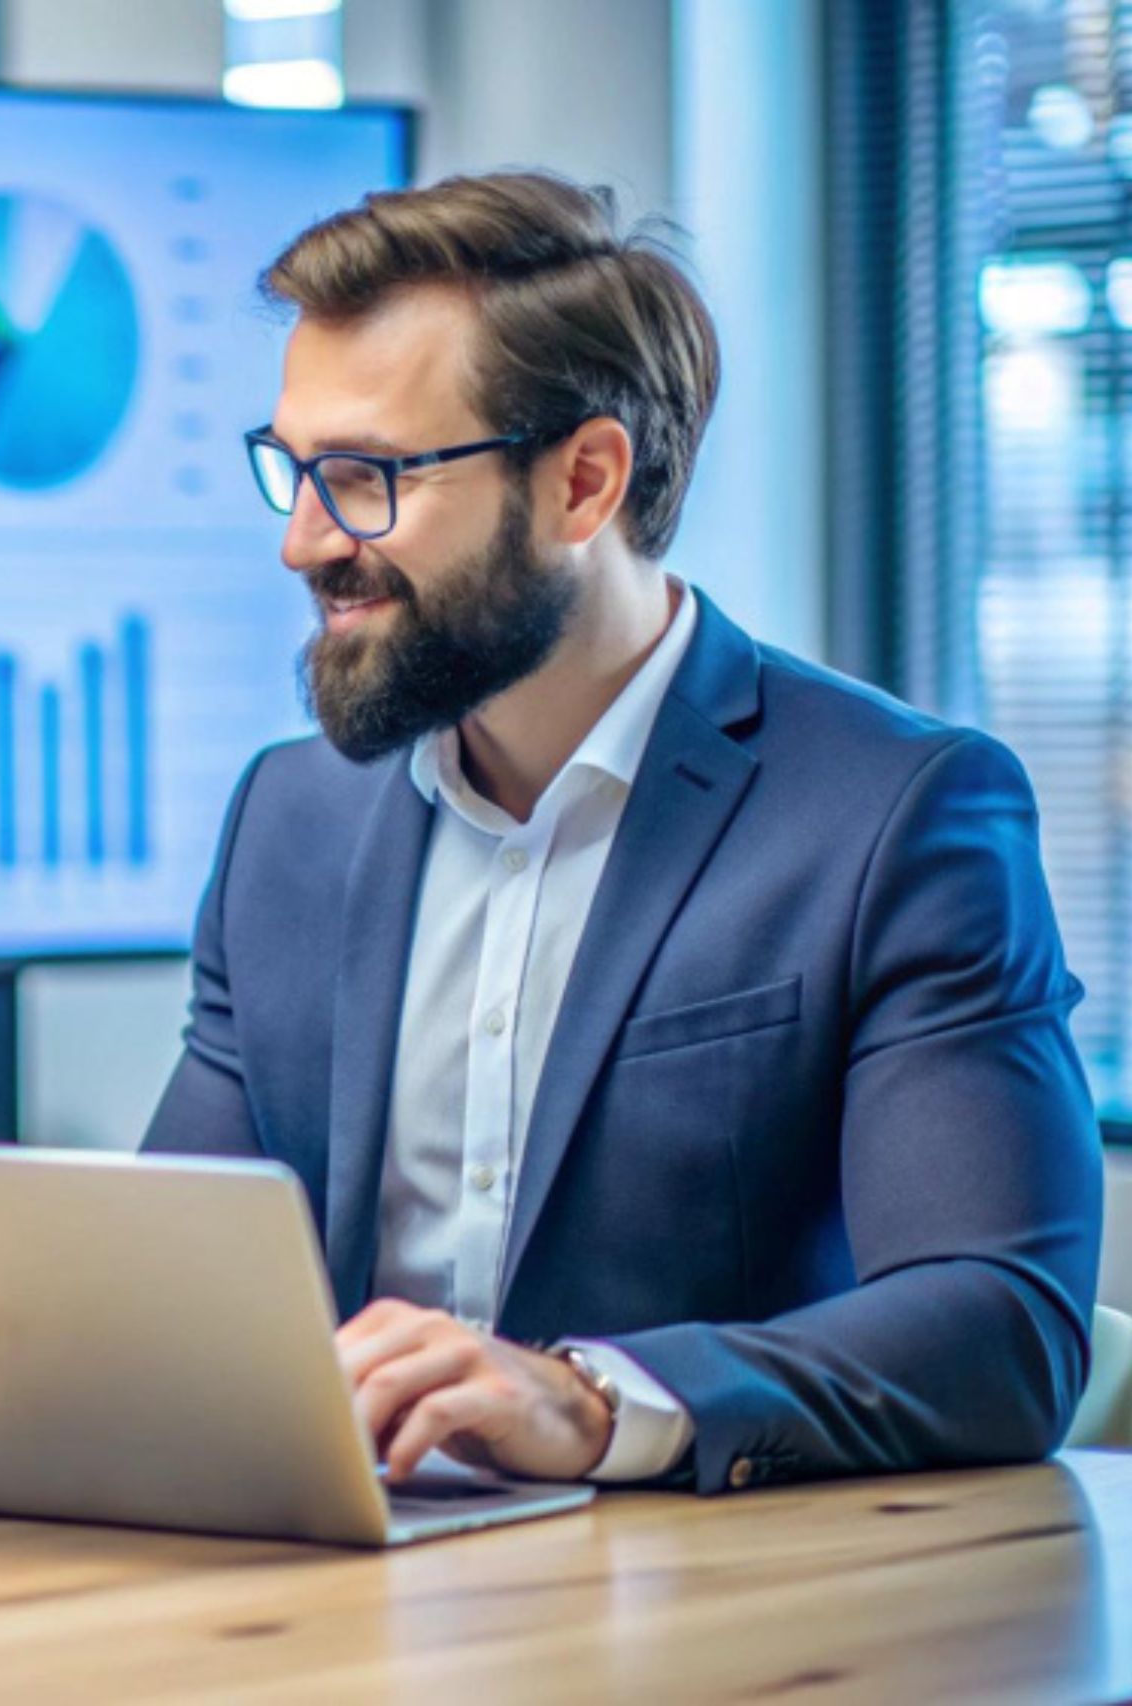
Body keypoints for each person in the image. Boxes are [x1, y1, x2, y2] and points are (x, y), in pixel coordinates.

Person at [144, 170, 1101, 1493]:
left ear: (585, 482)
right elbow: (170, 1283)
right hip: (345, 1595)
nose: (306, 541)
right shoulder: (286, 822)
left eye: (364, 479)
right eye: (294, 472)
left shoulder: (898, 815)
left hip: (724, 1614)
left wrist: (594, 1400)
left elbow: (1003, 1325)